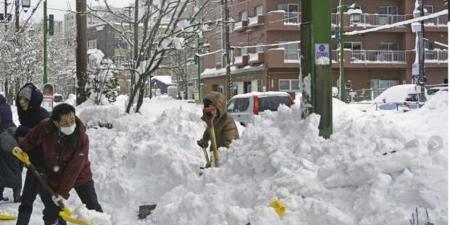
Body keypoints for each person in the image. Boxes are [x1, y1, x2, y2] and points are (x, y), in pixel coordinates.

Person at [16, 103, 103, 225]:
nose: (70, 125)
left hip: (80, 175)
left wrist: (61, 193)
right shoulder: (45, 126)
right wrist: (21, 148)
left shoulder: (81, 137)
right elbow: (31, 139)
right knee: (51, 213)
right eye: (65, 123)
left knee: (93, 207)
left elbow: (74, 168)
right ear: (56, 123)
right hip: (55, 174)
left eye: (72, 120)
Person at [14, 83, 50, 225]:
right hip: (33, 162)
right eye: (20, 99)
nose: (22, 102)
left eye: (25, 100)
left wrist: (23, 131)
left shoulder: (42, 114)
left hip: (45, 165)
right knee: (27, 200)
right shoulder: (25, 113)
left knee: (50, 203)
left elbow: (46, 136)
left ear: (32, 101)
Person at [0, 94, 21, 202]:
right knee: (14, 167)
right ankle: (17, 196)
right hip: (12, 138)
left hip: (3, 139)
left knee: (3, 168)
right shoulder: (6, 106)